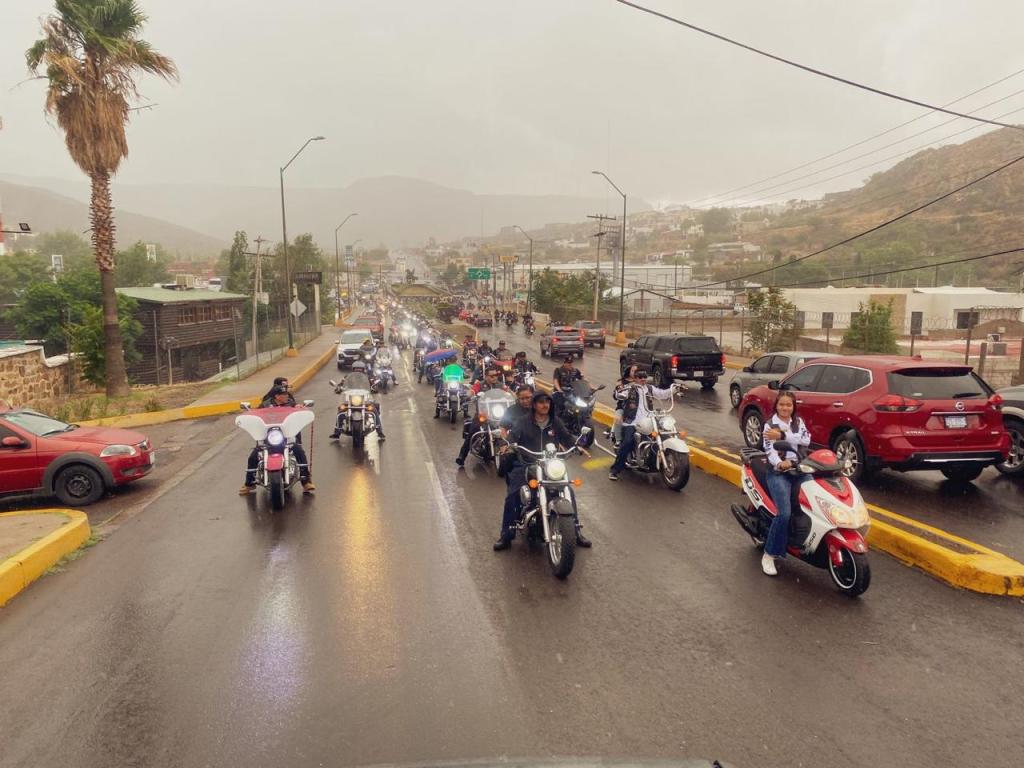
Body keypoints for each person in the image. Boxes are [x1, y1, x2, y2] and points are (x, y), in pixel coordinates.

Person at [496, 391, 591, 550]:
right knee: (513, 494)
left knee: (568, 490)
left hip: (550, 465)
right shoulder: (523, 422)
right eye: (541, 402)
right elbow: (512, 438)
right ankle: (506, 535)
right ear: (534, 405)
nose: (545, 405)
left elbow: (567, 438)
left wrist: (577, 446)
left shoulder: (555, 422)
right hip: (527, 463)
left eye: (547, 401)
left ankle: (575, 531)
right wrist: (506, 445)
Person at [760, 391, 811, 577]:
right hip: (779, 472)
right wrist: (780, 463)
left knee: (815, 499)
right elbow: (769, 450)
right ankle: (769, 554)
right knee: (784, 513)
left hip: (798, 468)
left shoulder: (798, 422)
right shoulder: (769, 425)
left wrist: (783, 435)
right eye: (782, 405)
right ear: (776, 406)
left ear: (793, 406)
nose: (785, 408)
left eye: (789, 405)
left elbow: (807, 439)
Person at [240, 386, 315, 494]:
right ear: (276, 396)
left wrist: (302, 408)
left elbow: (299, 411)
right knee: (253, 456)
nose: (286, 396)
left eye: (286, 394)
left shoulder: (291, 404)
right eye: (283, 395)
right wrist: (249, 412)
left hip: (286, 436)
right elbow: (256, 414)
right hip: (269, 437)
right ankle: (249, 483)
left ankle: (306, 481)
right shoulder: (265, 405)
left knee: (299, 452)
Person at [608, 369, 676, 481]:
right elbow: (619, 395)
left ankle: (655, 463)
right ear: (635, 378)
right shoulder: (630, 388)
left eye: (645, 377)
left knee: (663, 436)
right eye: (640, 377)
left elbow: (662, 394)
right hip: (632, 422)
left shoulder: (649, 388)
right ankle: (614, 470)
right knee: (627, 443)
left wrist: (673, 389)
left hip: (648, 421)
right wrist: (618, 391)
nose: (643, 379)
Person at [456, 368, 510, 465]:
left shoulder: (500, 385)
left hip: (498, 413)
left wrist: (514, 396)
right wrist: (469, 395)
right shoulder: (480, 384)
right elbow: (472, 390)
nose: (494, 378)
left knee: (513, 428)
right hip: (483, 414)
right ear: (486, 376)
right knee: (473, 431)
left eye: (496, 375)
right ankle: (462, 456)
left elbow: (508, 392)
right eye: (492, 376)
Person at [330, 361, 387, 441]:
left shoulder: (367, 377)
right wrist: (338, 388)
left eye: (360, 369)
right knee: (341, 410)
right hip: (350, 399)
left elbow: (373, 384)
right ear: (353, 369)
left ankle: (379, 431)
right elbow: (342, 384)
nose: (358, 371)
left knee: (374, 410)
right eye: (356, 369)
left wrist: (374, 387)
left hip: (365, 399)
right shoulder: (347, 377)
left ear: (363, 370)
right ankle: (337, 432)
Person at [610, 365, 638, 444]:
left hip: (637, 408)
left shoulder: (640, 382)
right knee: (618, 418)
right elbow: (617, 393)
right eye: (633, 371)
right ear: (629, 371)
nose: (635, 373)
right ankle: (618, 441)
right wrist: (619, 391)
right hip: (623, 407)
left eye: (637, 371)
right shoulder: (621, 381)